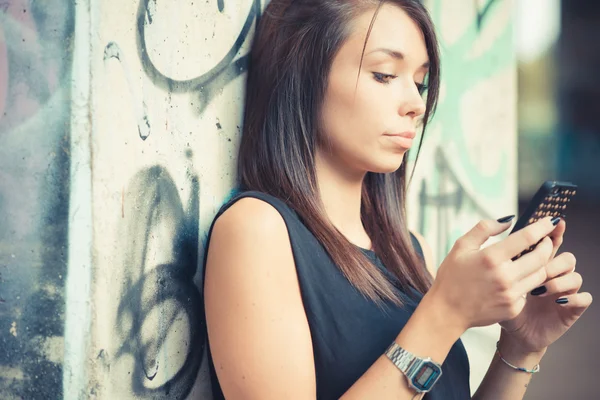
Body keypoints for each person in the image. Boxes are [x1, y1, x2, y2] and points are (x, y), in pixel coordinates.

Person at [202, 1, 593, 399]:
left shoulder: (410, 249)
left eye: (420, 82)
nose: (417, 105)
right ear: (301, 75)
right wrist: (446, 314)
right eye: (384, 74)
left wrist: (521, 347)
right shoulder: (256, 231)